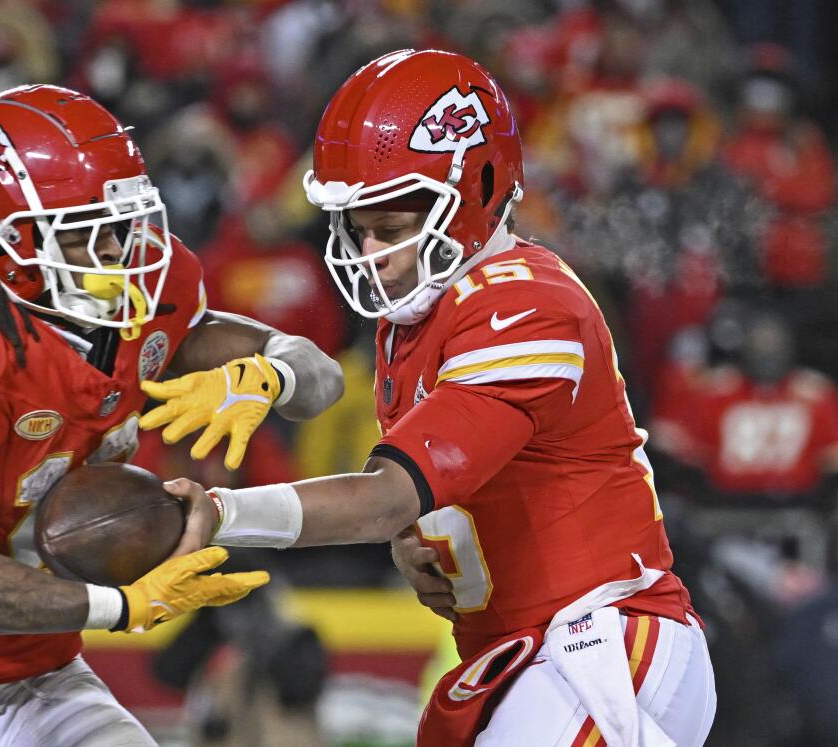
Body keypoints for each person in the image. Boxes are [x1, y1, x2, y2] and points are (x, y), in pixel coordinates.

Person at [156, 50, 716, 746]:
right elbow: (437, 492)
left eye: (390, 227)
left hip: (600, 641)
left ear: (476, 192)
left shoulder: (525, 303)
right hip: (520, 653)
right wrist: (411, 539)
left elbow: (388, 493)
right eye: (357, 226)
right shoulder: (412, 319)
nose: (371, 250)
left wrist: (219, 512)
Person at [0, 84, 344, 747]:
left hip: (44, 676)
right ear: (0, 239)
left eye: (121, 224)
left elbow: (322, 375)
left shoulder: (146, 297)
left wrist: (272, 374)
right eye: (89, 230)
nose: (120, 251)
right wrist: (125, 605)